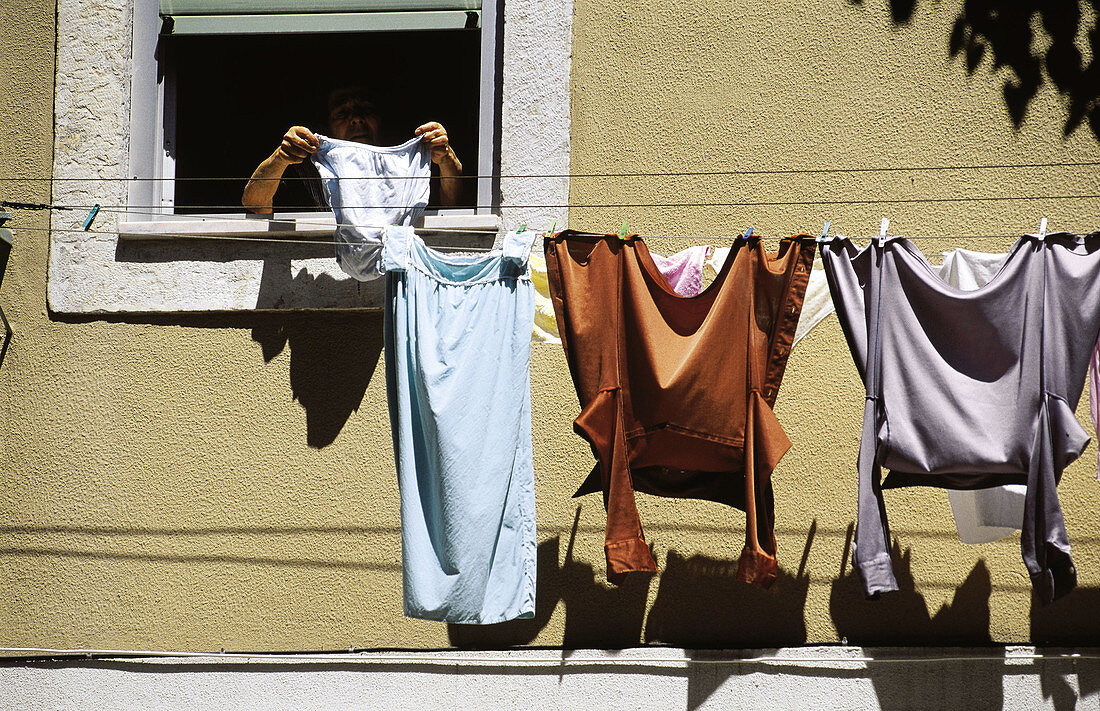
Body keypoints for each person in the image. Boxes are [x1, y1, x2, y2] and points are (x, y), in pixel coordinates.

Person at [242, 87, 463, 213]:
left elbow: (455, 208)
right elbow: (254, 205)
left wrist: (445, 157)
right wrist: (281, 157)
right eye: (342, 113)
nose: (356, 119)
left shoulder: (407, 162)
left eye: (365, 110)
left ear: (381, 119)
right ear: (326, 126)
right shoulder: (310, 167)